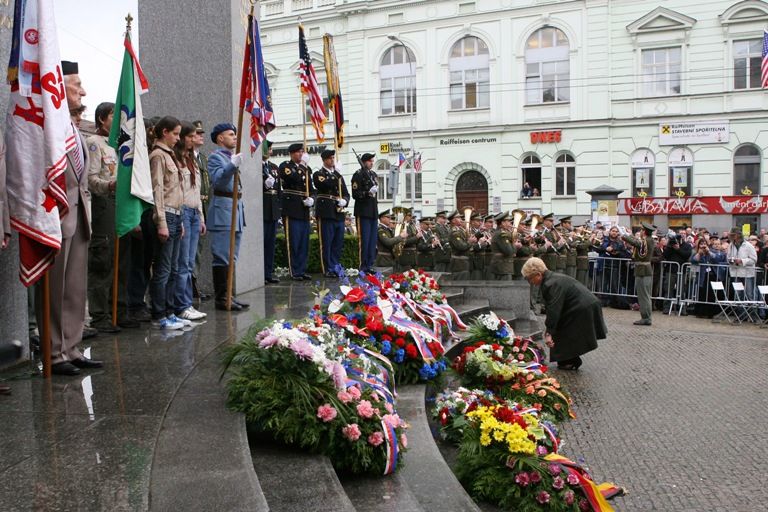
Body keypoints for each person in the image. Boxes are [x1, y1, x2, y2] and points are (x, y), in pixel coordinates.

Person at [36, 61, 103, 375]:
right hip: (55, 215)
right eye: (78, 84)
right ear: (59, 86)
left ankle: (72, 348)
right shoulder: (46, 125)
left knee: (75, 287)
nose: (84, 91)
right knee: (55, 288)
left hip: (80, 215)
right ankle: (54, 352)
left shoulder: (73, 127)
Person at [522, 257, 606, 370]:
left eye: (529, 278)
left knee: (563, 329)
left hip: (582, 307)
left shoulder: (550, 284)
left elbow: (554, 310)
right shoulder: (551, 279)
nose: (530, 282)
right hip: (583, 305)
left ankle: (569, 360)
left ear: (538, 274)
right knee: (563, 327)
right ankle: (568, 359)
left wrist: (549, 333)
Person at [85, 102, 126, 333]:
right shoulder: (94, 143)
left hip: (120, 203)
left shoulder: (118, 146)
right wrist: (110, 184)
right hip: (104, 202)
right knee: (102, 259)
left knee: (119, 259)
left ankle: (115, 311)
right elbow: (91, 179)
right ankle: (99, 316)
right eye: (113, 115)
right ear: (102, 118)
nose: (117, 120)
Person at [148, 116, 189, 328]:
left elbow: (176, 191)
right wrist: (161, 221)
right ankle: (159, 314)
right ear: (164, 132)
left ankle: (171, 311)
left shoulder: (170, 155)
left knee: (173, 268)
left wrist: (180, 219)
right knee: (163, 269)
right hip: (166, 215)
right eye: (175, 133)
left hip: (176, 214)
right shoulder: (158, 156)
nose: (178, 138)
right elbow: (158, 191)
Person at [207, 122, 249, 310]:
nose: (234, 137)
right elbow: (218, 180)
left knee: (232, 256)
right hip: (223, 210)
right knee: (222, 256)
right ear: (220, 138)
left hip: (235, 209)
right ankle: (222, 297)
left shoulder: (231, 157)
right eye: (231, 134)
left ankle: (230, 295)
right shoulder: (216, 158)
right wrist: (231, 166)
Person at [173, 122, 207, 321]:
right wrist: (181, 218)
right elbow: (179, 191)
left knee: (190, 261)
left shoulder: (192, 160)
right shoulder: (177, 159)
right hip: (183, 211)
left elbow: (197, 190)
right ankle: (182, 304)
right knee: (183, 262)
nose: (196, 138)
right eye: (192, 135)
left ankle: (186, 303)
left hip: (194, 211)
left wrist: (200, 217)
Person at [279, 143, 315, 281]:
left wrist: (312, 198)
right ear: (292, 153)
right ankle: (294, 271)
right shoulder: (285, 166)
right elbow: (292, 178)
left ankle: (302, 269)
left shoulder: (306, 169)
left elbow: (311, 188)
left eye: (302, 152)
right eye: (298, 152)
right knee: (293, 241)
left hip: (304, 209)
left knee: (304, 242)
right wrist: (302, 166)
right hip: (292, 207)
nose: (301, 154)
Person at [313, 149, 350, 277]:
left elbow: (346, 193)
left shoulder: (338, 176)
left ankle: (335, 266)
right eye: (329, 158)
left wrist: (344, 201)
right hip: (326, 212)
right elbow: (325, 184)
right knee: (326, 242)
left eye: (333, 158)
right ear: (324, 160)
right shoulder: (319, 174)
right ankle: (327, 268)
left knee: (337, 243)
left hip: (338, 213)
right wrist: (337, 174)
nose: (332, 160)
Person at [191, 120, 211, 301]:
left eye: (201, 133)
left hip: (204, 205)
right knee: (192, 250)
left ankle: (194, 284)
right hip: (194, 206)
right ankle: (191, 286)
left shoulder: (203, 157)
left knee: (198, 249)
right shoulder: (187, 156)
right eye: (197, 133)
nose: (201, 136)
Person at [621, 223, 656, 326]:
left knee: (643, 296)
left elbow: (636, 243)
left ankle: (646, 318)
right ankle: (647, 317)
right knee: (645, 295)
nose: (640, 232)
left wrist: (624, 235)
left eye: (641, 230)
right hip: (644, 269)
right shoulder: (647, 240)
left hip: (643, 270)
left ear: (644, 231)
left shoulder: (647, 240)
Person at [351, 152, 378, 273]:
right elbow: (355, 194)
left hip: (372, 211)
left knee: (372, 240)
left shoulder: (373, 175)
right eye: (369, 161)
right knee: (365, 239)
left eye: (372, 161)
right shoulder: (358, 175)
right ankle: (363, 265)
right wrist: (367, 192)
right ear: (364, 162)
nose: (371, 163)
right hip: (363, 211)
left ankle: (369, 264)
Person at [690, 237, 726, 318]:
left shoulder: (711, 251)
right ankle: (701, 312)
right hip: (702, 276)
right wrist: (699, 253)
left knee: (711, 294)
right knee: (702, 293)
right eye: (701, 244)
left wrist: (708, 252)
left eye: (704, 244)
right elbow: (693, 261)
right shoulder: (696, 252)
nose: (703, 246)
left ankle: (711, 313)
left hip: (712, 275)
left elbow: (717, 259)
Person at [262, 140, 281, 284]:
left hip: (273, 210)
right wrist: (263, 185)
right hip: (262, 209)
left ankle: (268, 272)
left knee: (270, 244)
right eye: (268, 148)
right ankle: (261, 273)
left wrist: (279, 211)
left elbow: (278, 190)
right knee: (262, 243)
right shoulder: (256, 166)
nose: (270, 151)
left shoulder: (273, 167)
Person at [726, 227, 757, 300]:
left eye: (733, 235)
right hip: (736, 273)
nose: (732, 237)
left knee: (749, 294)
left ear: (738, 235)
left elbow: (754, 260)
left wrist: (742, 261)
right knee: (737, 295)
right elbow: (728, 257)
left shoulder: (748, 246)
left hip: (747, 274)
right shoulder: (731, 245)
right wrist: (731, 261)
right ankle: (739, 311)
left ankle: (751, 311)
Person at [448, 210, 475, 280]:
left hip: (464, 261)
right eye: (458, 218)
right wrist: (470, 242)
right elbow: (461, 246)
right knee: (460, 281)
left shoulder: (460, 230)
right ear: (453, 221)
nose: (461, 220)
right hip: (459, 262)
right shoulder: (455, 232)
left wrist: (471, 240)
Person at [490, 211, 517, 280]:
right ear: (502, 223)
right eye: (508, 221)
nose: (510, 223)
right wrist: (513, 242)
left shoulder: (501, 233)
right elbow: (509, 251)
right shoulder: (502, 234)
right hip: (503, 266)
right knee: (505, 289)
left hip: (502, 266)